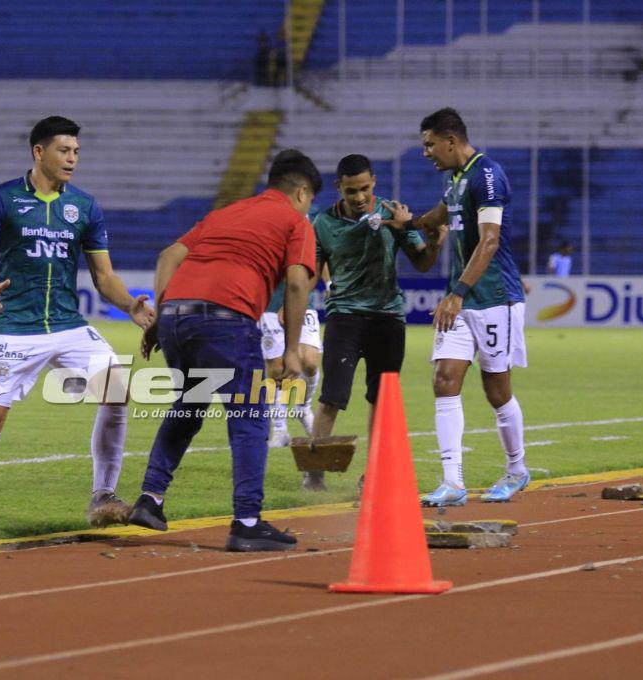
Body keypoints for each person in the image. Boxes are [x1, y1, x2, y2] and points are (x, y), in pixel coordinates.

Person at [0, 115, 154, 530]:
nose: (72, 159)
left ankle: (104, 495)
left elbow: (104, 276)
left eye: (76, 151)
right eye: (64, 150)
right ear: (38, 152)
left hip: (67, 323)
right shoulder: (4, 198)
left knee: (117, 387)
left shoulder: (85, 206)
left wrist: (130, 306)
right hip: (15, 325)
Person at [130, 149, 320, 552]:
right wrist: (290, 350)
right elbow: (299, 284)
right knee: (251, 417)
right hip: (226, 319)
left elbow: (169, 256)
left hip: (178, 314)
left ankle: (151, 499)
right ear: (303, 192)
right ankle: (247, 521)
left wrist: (162, 316)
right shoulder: (296, 222)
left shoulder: (226, 213)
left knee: (188, 407)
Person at [384, 108, 529, 506]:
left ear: (451, 140)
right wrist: (406, 223)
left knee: (497, 391)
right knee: (444, 380)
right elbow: (440, 216)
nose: (426, 153)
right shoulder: (456, 179)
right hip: (461, 299)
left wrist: (458, 292)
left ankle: (517, 470)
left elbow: (490, 241)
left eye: (430, 144)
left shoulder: (486, 176)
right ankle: (453, 483)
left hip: (494, 298)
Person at [305, 154, 448, 492]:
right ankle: (314, 473)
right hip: (344, 316)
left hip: (387, 318)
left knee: (381, 400)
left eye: (365, 189)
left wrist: (433, 243)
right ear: (339, 187)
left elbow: (423, 262)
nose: (358, 197)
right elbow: (310, 274)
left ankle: (374, 474)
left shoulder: (392, 213)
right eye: (351, 190)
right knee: (332, 396)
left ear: (374, 184)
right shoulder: (322, 224)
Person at [260, 279, 322, 448]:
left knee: (309, 362)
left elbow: (318, 261)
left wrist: (329, 281)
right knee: (276, 368)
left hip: (302, 303)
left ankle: (303, 408)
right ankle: (280, 430)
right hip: (270, 305)